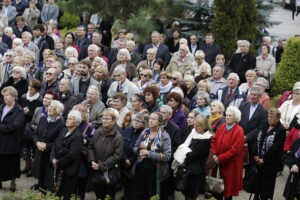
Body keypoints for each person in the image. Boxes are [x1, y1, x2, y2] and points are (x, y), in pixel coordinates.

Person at [133, 112, 171, 200]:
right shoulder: (145, 132)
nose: (150, 121)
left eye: (153, 119)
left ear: (159, 122)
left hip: (155, 169)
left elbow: (167, 156)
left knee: (152, 194)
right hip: (141, 167)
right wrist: (139, 151)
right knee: (139, 193)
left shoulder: (164, 136)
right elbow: (135, 147)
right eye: (150, 118)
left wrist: (148, 153)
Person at [88, 108, 124, 200]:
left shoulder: (118, 136)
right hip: (96, 168)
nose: (104, 120)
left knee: (108, 196)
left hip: (110, 170)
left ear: (113, 120)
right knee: (98, 195)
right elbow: (91, 147)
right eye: (103, 118)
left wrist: (101, 165)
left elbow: (117, 155)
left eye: (107, 119)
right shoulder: (98, 132)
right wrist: (92, 161)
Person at [210, 106, 244, 200]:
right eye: (226, 115)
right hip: (217, 161)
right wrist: (214, 154)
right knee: (217, 188)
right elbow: (213, 140)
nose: (227, 117)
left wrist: (219, 158)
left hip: (230, 165)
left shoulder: (239, 131)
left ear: (236, 118)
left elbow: (234, 151)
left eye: (230, 115)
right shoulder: (222, 126)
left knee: (228, 189)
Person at [31, 100, 65, 191]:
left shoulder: (61, 124)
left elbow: (58, 142)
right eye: (49, 106)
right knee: (40, 174)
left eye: (52, 107)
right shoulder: (43, 119)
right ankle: (40, 186)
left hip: (50, 154)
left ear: (58, 111)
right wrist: (37, 143)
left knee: (48, 179)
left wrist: (46, 146)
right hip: (39, 150)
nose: (49, 108)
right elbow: (35, 134)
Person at [253, 108, 286, 200]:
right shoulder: (264, 124)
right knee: (257, 187)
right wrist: (256, 154)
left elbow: (275, 148)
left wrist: (264, 159)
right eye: (268, 116)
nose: (269, 119)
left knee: (266, 189)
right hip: (259, 161)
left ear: (278, 118)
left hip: (271, 163)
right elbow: (258, 138)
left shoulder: (281, 130)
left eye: (272, 117)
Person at [50, 110, 83, 200]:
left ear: (76, 123)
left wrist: (58, 162)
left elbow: (72, 155)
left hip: (69, 170)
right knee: (56, 192)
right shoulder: (63, 130)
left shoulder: (77, 136)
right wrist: (52, 158)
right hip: (58, 166)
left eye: (70, 119)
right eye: (67, 118)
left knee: (66, 194)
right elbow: (55, 144)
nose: (67, 120)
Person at [180, 115, 212, 200]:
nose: (195, 127)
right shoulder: (193, 133)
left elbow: (193, 155)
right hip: (188, 168)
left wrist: (184, 152)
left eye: (198, 125)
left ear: (204, 126)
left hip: (196, 171)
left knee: (192, 195)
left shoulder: (206, 139)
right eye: (195, 125)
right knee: (187, 194)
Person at [0, 86, 25, 192]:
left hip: (12, 141)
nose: (4, 97)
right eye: (4, 95)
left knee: (12, 162)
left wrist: (1, 127)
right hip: (1, 139)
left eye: (7, 95)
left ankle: (13, 182)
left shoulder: (19, 110)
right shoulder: (1, 107)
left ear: (14, 97)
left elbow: (14, 126)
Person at [121, 112, 149, 200]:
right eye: (135, 120)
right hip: (123, 160)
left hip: (136, 163)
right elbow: (120, 145)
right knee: (125, 183)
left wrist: (131, 160)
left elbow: (141, 149)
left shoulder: (145, 134)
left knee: (135, 185)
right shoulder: (127, 129)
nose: (136, 122)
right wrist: (125, 158)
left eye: (139, 121)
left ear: (144, 124)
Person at [19, 79, 43, 176]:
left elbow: (38, 115)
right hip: (23, 124)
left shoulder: (40, 99)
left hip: (33, 125)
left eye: (32, 87)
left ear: (36, 89)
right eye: (29, 86)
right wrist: (22, 111)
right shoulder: (24, 96)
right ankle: (26, 166)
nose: (29, 88)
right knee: (25, 148)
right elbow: (19, 107)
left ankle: (32, 168)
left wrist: (29, 113)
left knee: (32, 147)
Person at [72, 104, 95, 200]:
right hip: (71, 158)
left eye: (77, 111)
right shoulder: (71, 123)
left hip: (82, 159)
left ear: (83, 114)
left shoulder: (88, 126)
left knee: (81, 183)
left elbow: (93, 141)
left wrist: (86, 141)